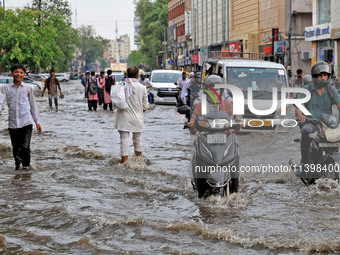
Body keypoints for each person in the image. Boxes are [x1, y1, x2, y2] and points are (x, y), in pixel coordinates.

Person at [296, 61, 340, 166]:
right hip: (311, 122)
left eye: (325, 75)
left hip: (327, 124)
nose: (323, 78)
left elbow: (339, 105)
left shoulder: (331, 90)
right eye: (320, 75)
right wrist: (300, 115)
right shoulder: (307, 89)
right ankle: (305, 162)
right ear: (315, 76)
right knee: (306, 131)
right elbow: (298, 106)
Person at [0, 64, 42, 170]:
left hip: (26, 122)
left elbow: (33, 105)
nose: (18, 74)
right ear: (12, 73)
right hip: (13, 123)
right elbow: (1, 102)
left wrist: (37, 122)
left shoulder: (28, 88)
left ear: (24, 75)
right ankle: (18, 167)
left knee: (26, 146)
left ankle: (26, 168)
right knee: (16, 148)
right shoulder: (5, 88)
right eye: (16, 72)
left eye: (21, 72)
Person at [114, 66, 148, 163]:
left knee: (124, 141)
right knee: (138, 140)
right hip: (137, 118)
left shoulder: (121, 85)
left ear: (127, 75)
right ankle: (139, 162)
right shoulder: (142, 88)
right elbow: (145, 106)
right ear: (138, 75)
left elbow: (114, 104)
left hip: (123, 118)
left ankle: (124, 163)